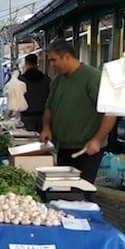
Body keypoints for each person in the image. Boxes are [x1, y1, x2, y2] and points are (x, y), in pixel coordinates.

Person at [39, 39, 116, 182]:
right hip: (63, 148)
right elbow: (49, 107)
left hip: (86, 149)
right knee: (64, 190)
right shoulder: (57, 81)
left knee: (81, 194)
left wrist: (97, 140)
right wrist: (46, 128)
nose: (51, 65)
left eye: (53, 60)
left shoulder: (93, 78)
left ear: (67, 56)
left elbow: (110, 112)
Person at [19, 53, 50, 132]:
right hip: (43, 117)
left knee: (29, 142)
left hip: (26, 117)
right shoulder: (46, 79)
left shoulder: (21, 80)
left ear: (26, 64)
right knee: (43, 142)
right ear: (37, 63)